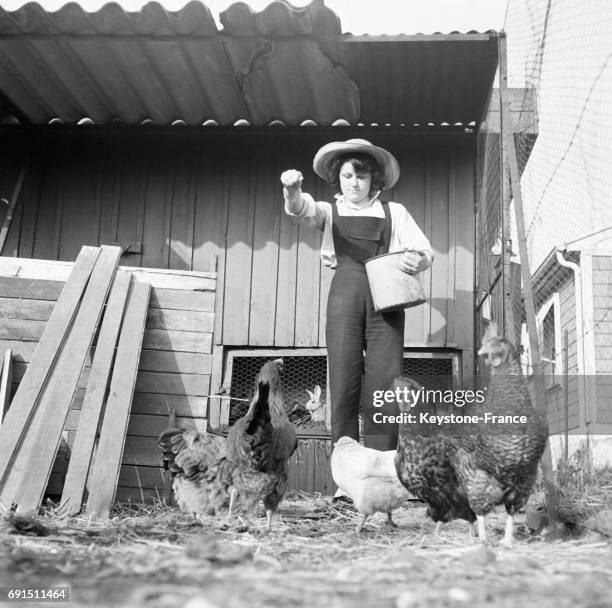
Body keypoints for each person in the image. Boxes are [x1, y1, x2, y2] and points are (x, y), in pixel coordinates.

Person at [280, 139, 433, 452]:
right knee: (344, 378)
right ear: (338, 178)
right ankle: (346, 476)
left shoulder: (396, 212)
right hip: (345, 295)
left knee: (384, 382)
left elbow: (425, 251)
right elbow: (303, 211)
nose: (354, 183)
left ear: (373, 180)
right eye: (348, 176)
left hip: (388, 299)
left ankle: (381, 466)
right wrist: (292, 191)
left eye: (361, 177)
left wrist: (419, 260)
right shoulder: (329, 211)